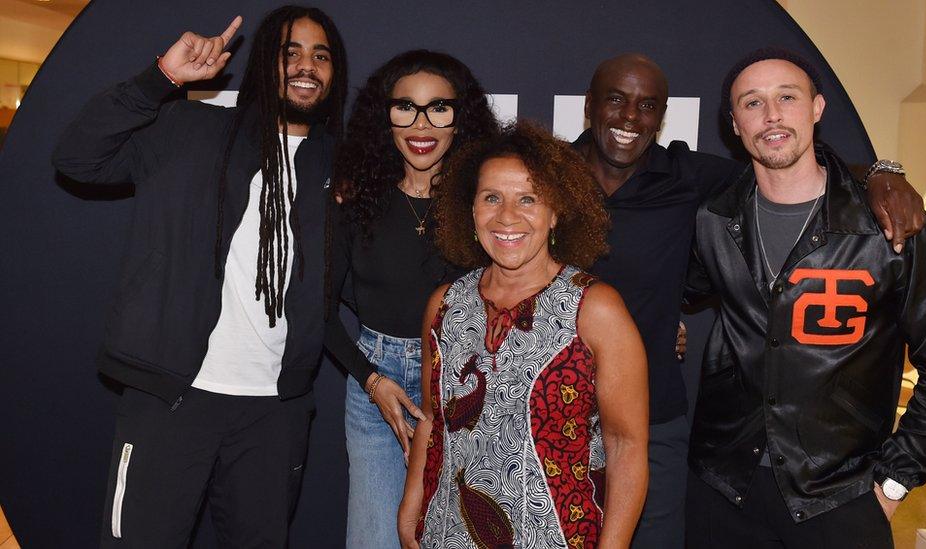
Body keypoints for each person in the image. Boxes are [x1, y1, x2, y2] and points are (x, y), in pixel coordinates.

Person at [572, 53, 926, 547]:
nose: (630, 118)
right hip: (558, 413)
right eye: (616, 100)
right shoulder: (543, 178)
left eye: (647, 105)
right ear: (589, 106)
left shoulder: (695, 180)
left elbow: (790, 162)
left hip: (657, 422)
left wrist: (882, 173)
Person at [52, 7, 357, 546]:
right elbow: (78, 159)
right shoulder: (190, 127)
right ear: (264, 61)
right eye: (291, 52)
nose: (306, 65)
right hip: (173, 399)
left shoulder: (339, 168)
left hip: (275, 415)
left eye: (321, 55)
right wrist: (162, 78)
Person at [683, 48, 926, 548]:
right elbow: (668, 286)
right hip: (724, 488)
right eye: (752, 103)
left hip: (842, 496)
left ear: (817, 108)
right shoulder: (714, 220)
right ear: (734, 124)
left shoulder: (888, 225)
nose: (771, 115)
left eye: (787, 97)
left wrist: (893, 482)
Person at [399, 121, 649, 548]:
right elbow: (432, 422)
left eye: (528, 199)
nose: (507, 216)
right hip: (446, 532)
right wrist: (409, 512)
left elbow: (625, 445)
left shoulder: (595, 308)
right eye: (491, 198)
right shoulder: (444, 304)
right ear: (471, 209)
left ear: (555, 213)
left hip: (557, 536)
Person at [327, 50, 499, 548]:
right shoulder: (354, 199)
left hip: (467, 382)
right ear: (385, 118)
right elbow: (318, 312)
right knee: (374, 538)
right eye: (405, 107)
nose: (421, 124)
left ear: (459, 118)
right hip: (376, 383)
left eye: (438, 108)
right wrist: (373, 382)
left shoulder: (483, 206)